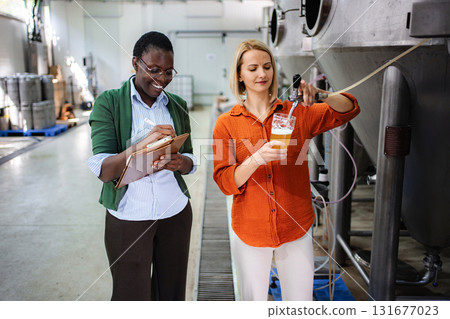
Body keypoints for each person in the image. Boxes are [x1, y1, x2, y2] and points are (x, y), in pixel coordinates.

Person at [212, 39, 360, 301]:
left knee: (299, 304)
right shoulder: (227, 124)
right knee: (252, 303)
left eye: (267, 67)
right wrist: (256, 159)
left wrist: (321, 95)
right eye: (253, 68)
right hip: (250, 229)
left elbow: (349, 109)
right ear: (240, 75)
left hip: (295, 226)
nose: (262, 74)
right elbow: (225, 181)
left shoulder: (297, 113)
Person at [87, 31, 196, 301]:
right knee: (130, 297)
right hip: (129, 218)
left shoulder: (177, 106)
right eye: (155, 69)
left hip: (175, 214)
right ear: (135, 63)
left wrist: (180, 162)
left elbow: (191, 160)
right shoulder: (109, 103)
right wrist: (141, 146)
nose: (162, 79)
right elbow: (104, 169)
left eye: (169, 72)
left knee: (171, 294)